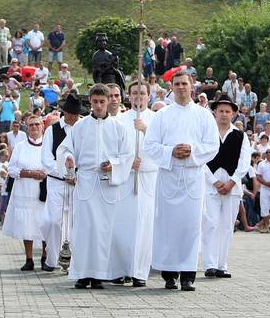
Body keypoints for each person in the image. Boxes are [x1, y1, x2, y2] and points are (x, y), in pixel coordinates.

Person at [143, 71, 219, 291]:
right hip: (169, 176)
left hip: (193, 178)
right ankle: (169, 274)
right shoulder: (162, 115)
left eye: (185, 83)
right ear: (172, 87)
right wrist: (170, 152)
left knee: (191, 226)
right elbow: (150, 145)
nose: (181, 87)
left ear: (192, 86)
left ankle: (188, 274)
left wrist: (192, 151)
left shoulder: (204, 116)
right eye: (177, 84)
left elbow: (213, 145)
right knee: (168, 227)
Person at [59, 84, 132, 288]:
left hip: (107, 183)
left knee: (103, 229)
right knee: (84, 228)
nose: (99, 105)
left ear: (109, 101)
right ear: (89, 102)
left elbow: (127, 155)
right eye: (95, 101)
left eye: (102, 101)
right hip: (86, 182)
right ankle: (83, 274)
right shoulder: (80, 127)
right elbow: (66, 148)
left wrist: (114, 165)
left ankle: (99, 274)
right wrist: (69, 160)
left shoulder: (119, 128)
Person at [113, 82, 158, 286]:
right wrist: (127, 162)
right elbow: (112, 150)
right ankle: (121, 268)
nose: (138, 97)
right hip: (126, 177)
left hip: (148, 177)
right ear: (128, 96)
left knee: (144, 225)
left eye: (142, 93)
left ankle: (140, 271)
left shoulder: (157, 120)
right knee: (123, 224)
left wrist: (146, 130)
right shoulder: (119, 120)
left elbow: (163, 146)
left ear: (148, 96)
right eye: (134, 93)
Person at [201, 95, 251, 278]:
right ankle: (210, 264)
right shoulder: (207, 133)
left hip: (232, 186)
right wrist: (213, 181)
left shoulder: (240, 135)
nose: (223, 114)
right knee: (211, 223)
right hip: (210, 185)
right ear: (214, 111)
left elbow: (244, 162)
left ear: (233, 114)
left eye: (227, 111)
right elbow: (201, 160)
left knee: (226, 226)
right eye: (220, 111)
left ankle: (222, 264)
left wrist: (232, 181)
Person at [38, 93, 82, 272]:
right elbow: (47, 159)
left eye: (76, 114)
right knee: (52, 221)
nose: (73, 117)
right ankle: (51, 256)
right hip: (56, 181)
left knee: (74, 221)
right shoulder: (52, 130)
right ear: (64, 112)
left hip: (78, 182)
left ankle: (71, 260)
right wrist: (65, 174)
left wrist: (76, 175)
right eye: (70, 114)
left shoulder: (82, 128)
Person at [2, 116, 47, 271]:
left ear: (42, 126)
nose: (34, 127)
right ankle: (29, 259)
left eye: (37, 124)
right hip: (25, 189)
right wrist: (29, 173)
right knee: (26, 223)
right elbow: (11, 169)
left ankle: (45, 257)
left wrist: (44, 173)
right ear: (27, 128)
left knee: (44, 223)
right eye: (31, 125)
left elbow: (54, 165)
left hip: (43, 190)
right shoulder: (20, 146)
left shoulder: (49, 145)